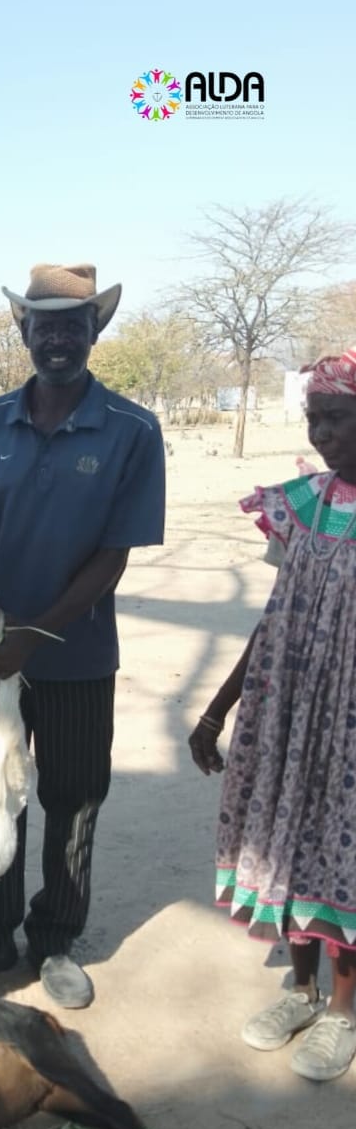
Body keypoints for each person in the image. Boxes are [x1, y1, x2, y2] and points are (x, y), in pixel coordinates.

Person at [0, 263, 165, 1009]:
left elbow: (112, 557)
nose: (58, 338)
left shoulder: (132, 429)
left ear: (94, 331)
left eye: (73, 324)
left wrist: (33, 636)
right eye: (45, 324)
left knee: (73, 797)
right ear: (22, 330)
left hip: (77, 657)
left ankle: (56, 939)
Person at [189, 345, 356, 1082]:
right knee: (285, 834)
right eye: (315, 418)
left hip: (347, 718)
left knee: (344, 850)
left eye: (338, 418)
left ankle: (344, 1011)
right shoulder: (302, 503)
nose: (323, 433)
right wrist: (217, 708)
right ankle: (299, 986)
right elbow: (272, 617)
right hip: (287, 704)